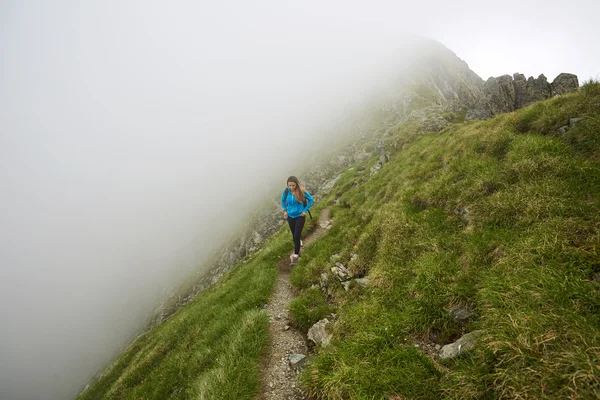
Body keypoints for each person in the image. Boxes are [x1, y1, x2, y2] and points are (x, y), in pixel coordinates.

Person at [281, 176, 314, 266]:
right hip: (290, 216)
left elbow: (311, 200)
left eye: (293, 185)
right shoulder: (286, 191)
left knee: (296, 235)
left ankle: (295, 256)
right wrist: (285, 210)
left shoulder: (301, 191)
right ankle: (298, 242)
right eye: (289, 185)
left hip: (300, 216)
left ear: (297, 184)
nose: (291, 187)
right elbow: (282, 200)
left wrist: (304, 210)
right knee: (294, 235)